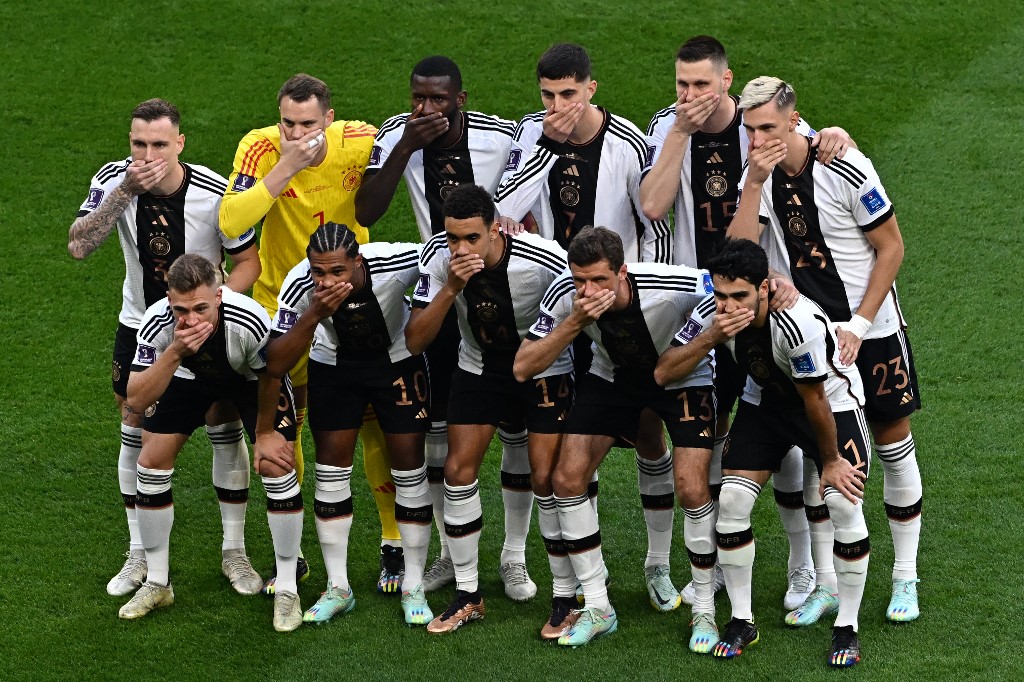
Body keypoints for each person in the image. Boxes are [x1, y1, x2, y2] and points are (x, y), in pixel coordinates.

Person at [640, 36, 856, 609]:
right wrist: (680, 133)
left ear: (727, 80)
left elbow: (815, 146)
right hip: (698, 299)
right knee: (709, 437)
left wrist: (837, 135)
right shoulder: (668, 125)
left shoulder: (758, 124)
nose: (691, 97)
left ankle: (807, 571)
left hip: (765, 300)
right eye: (682, 85)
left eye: (702, 86)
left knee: (789, 430)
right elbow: (654, 205)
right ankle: (707, 568)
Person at [729, 76, 923, 623]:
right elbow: (740, 252)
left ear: (795, 120)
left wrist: (860, 324)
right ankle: (829, 585)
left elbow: (891, 248)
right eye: (750, 129)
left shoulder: (845, 165)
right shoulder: (760, 175)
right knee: (822, 455)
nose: (759, 138)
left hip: (871, 328)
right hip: (808, 334)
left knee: (891, 442)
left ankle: (905, 577)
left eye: (768, 126)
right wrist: (752, 183)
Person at [497, 43, 684, 610]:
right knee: (564, 443)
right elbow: (506, 211)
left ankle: (656, 565)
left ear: (591, 89)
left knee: (648, 432)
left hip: (618, 308)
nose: (559, 106)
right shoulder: (532, 134)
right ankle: (576, 571)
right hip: (558, 307)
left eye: (569, 95)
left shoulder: (627, 142)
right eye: (549, 95)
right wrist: (549, 144)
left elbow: (654, 218)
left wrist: (644, 296)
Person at [355, 56, 537, 600]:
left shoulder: (500, 136)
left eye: (438, 99)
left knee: (516, 434)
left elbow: (527, 199)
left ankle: (514, 556)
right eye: (418, 98)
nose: (426, 108)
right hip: (437, 286)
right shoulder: (395, 135)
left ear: (461, 99)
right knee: (440, 434)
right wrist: (408, 145)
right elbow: (367, 206)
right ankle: (447, 553)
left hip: (502, 290)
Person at [67, 98, 264, 598]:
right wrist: (124, 191)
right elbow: (79, 245)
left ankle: (234, 552)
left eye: (159, 144)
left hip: (208, 327)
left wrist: (213, 313)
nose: (148, 153)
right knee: (133, 421)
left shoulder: (217, 192)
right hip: (138, 325)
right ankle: (139, 555)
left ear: (180, 144)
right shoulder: (114, 178)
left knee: (223, 421)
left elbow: (248, 264)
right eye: (139, 143)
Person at [219, 74, 405, 594]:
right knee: (286, 422)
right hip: (280, 307)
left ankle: (392, 540)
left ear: (328, 118)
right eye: (288, 122)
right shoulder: (260, 148)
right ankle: (292, 549)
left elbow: (410, 162)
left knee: (371, 422)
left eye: (307, 123)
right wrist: (287, 166)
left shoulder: (359, 140)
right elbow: (231, 220)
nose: (297, 133)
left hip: (350, 303)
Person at [656, 238, 871, 667]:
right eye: (720, 296)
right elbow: (664, 371)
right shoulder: (714, 315)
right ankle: (741, 620)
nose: (729, 305)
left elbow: (813, 400)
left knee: (842, 503)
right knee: (733, 501)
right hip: (765, 402)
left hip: (829, 401)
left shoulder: (795, 321)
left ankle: (847, 627)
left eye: (740, 296)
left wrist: (830, 462)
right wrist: (713, 333)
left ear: (764, 289)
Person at [514, 226, 717, 648]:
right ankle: (598, 606)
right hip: (613, 377)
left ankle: (700, 607)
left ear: (623, 272)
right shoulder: (564, 297)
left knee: (692, 487)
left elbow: (730, 286)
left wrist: (781, 285)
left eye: (599, 280)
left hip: (683, 376)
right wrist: (575, 320)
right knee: (566, 480)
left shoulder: (671, 284)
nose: (588, 290)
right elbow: (522, 366)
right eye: (580, 280)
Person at [405, 184, 573, 634]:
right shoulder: (437, 259)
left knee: (546, 478)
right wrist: (451, 287)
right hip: (478, 366)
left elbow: (578, 318)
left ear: (496, 229)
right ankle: (468, 592)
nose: (459, 248)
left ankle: (562, 594)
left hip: (543, 368)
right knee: (458, 471)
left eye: (471, 239)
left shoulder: (545, 261)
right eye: (452, 238)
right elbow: (415, 339)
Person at [263, 223, 434, 627]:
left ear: (359, 261)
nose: (326, 280)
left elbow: (438, 253)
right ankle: (338, 587)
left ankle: (413, 584)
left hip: (397, 361)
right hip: (334, 365)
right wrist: (316, 312)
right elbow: (275, 362)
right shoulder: (299, 284)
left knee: (409, 468)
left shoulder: (396, 260)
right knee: (330, 471)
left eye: (338, 271)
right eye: (319, 271)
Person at [118, 254, 301, 632]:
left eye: (201, 307)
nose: (192, 320)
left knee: (276, 464)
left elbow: (271, 376)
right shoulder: (157, 322)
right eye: (182, 309)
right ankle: (157, 581)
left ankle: (285, 587)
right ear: (170, 300)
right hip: (187, 372)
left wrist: (266, 433)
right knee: (150, 463)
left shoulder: (248, 319)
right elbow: (135, 399)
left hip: (251, 380)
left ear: (218, 296)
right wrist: (175, 352)